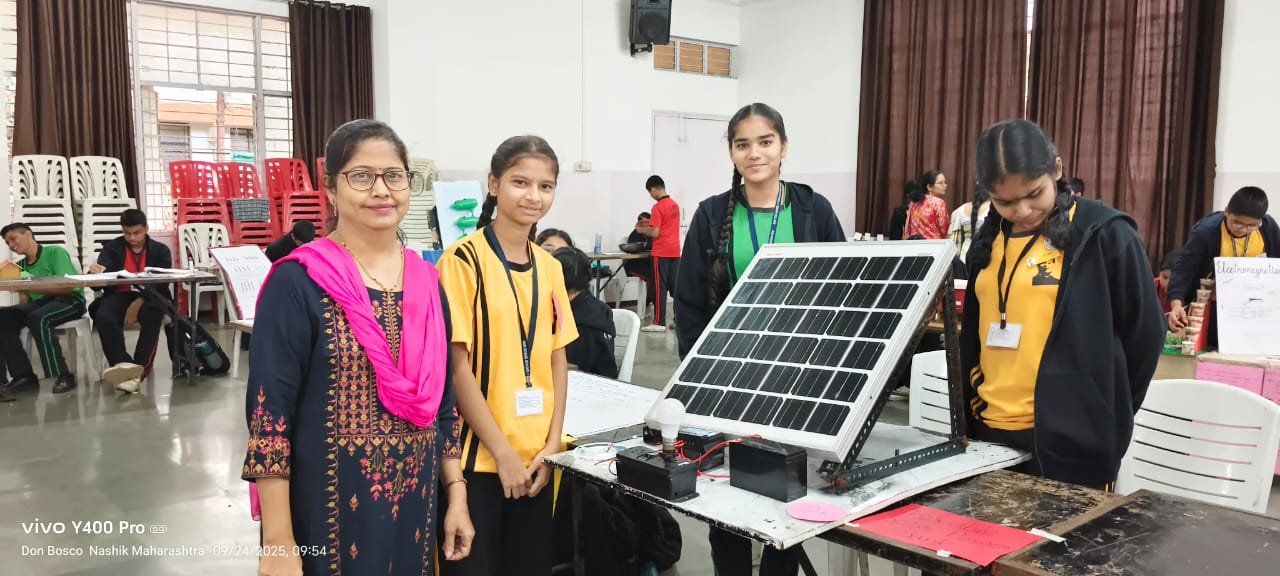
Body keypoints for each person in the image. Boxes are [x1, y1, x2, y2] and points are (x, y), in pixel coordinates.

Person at [242, 119, 473, 576]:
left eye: (394, 176)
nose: (381, 190)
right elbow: (269, 418)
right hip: (324, 513)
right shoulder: (297, 282)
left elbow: (444, 407)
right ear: (331, 189)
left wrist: (457, 496)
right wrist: (278, 542)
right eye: (361, 176)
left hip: (417, 509)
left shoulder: (428, 283)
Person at [675, 103, 845, 576]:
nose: (755, 153)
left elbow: (842, 288)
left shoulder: (813, 209)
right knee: (726, 497)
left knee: (787, 495)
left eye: (765, 142)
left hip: (800, 379)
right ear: (731, 152)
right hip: (730, 379)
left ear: (783, 147)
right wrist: (699, 376)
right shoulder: (712, 215)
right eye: (743, 144)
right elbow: (689, 302)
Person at [961, 119, 1163, 490]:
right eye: (1005, 202)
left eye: (1034, 193)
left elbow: (1146, 335)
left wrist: (1103, 408)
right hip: (987, 432)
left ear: (1057, 169)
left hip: (1071, 445)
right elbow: (973, 335)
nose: (1022, 210)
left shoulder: (1105, 234)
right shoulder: (988, 241)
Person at [437, 135, 577, 576]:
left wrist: (552, 447)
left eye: (545, 186)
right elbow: (456, 368)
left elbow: (557, 359)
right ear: (494, 183)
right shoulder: (462, 261)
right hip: (480, 460)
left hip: (537, 461)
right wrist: (503, 454)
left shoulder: (550, 267)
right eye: (521, 182)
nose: (534, 196)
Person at [1167, 186, 1280, 339]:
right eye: (1237, 223)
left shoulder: (1268, 227)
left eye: (1252, 225)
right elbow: (1184, 268)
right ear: (1226, 211)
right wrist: (1176, 304)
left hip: (1254, 304)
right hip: (1215, 304)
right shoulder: (1206, 231)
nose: (1244, 230)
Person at [89, 209, 175, 394]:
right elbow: (97, 283)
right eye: (127, 233)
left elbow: (162, 283)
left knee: (152, 315)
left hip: (151, 296)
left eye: (137, 233)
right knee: (104, 316)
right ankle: (124, 367)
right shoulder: (112, 248)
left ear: (146, 229)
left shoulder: (160, 251)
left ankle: (140, 370)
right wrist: (94, 273)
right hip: (119, 294)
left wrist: (138, 302)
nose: (132, 237)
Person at [0, 223, 84, 397]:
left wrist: (28, 284)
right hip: (42, 303)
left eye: (13, 239)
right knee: (3, 316)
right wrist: (15, 288)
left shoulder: (54, 252)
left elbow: (66, 287)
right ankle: (23, 376)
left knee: (38, 318)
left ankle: (63, 375)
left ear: (28, 234)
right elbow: (26, 302)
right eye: (7, 243)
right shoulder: (20, 267)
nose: (11, 245)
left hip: (70, 300)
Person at [552, 246, 618, 378]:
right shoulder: (599, 308)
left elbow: (569, 369)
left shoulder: (577, 323)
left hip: (584, 384)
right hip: (605, 380)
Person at [635, 174, 680, 332]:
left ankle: (659, 323)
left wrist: (642, 230)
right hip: (675, 251)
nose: (651, 195)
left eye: (650, 192)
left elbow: (655, 232)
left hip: (661, 252)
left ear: (653, 189)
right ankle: (679, 320)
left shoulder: (658, 207)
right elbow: (666, 225)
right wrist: (650, 223)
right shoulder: (674, 205)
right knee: (676, 288)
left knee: (660, 289)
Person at [948, 185, 991, 263]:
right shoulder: (992, 209)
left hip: (964, 257)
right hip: (985, 257)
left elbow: (953, 237)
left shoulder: (960, 210)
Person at [903, 171, 950, 239]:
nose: (945, 185)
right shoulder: (938, 203)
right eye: (940, 183)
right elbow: (944, 229)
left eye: (944, 182)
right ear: (929, 187)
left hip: (914, 242)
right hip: (933, 243)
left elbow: (908, 227)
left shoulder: (913, 202)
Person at [1155, 250, 1179, 315]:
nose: (1168, 283)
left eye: (1173, 279)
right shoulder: (1151, 286)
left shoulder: (1184, 292)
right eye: (1165, 277)